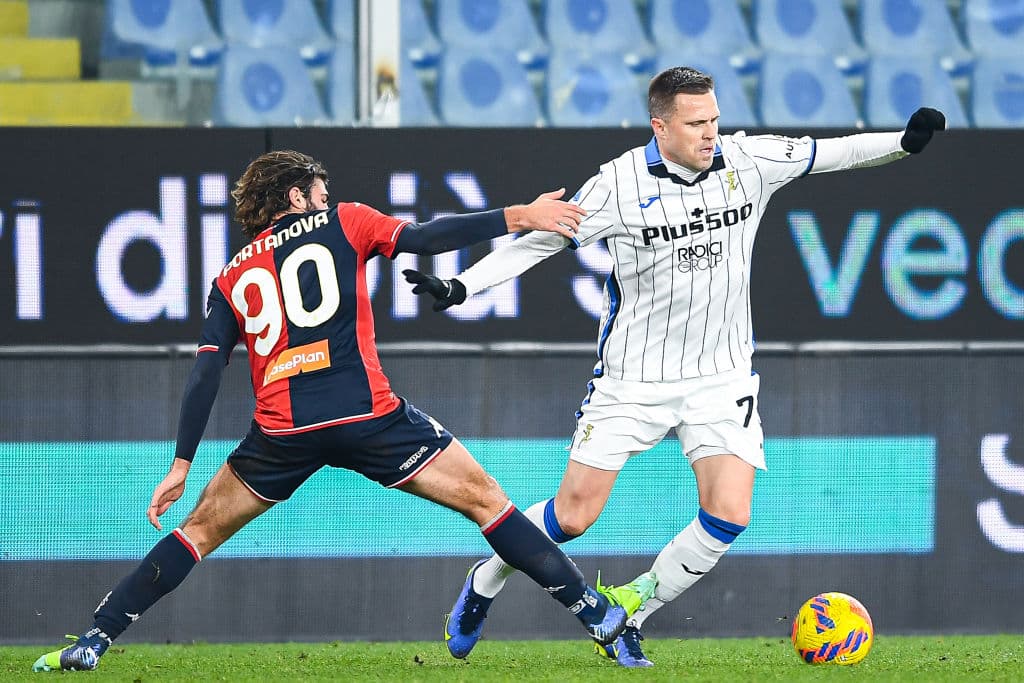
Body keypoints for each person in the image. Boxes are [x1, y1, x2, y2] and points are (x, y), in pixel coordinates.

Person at [404, 66, 946, 668]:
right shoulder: (617, 184)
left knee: (730, 512)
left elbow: (831, 154)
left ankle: (631, 613)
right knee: (573, 516)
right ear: (660, 126)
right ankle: (487, 577)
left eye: (714, 119)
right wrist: (462, 285)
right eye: (696, 124)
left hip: (722, 374)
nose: (710, 133)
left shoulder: (750, 161)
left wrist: (902, 143)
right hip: (634, 376)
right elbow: (542, 240)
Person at [32, 150, 654, 672]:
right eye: (321, 191)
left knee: (194, 533)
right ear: (298, 196)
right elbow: (426, 239)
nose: (329, 198)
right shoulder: (346, 222)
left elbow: (204, 372)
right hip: (368, 418)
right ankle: (597, 617)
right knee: (489, 504)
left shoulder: (230, 275)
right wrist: (520, 215)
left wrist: (181, 461)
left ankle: (94, 639)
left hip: (282, 434)